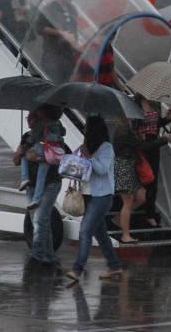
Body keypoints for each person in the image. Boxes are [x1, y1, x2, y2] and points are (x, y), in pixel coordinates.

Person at [66, 116, 123, 282]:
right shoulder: (87, 146)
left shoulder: (106, 148)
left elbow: (103, 170)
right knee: (101, 234)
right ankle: (114, 266)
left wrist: (89, 156)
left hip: (102, 196)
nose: (85, 131)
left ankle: (77, 269)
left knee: (85, 231)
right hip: (87, 195)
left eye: (87, 128)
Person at [13, 112, 64, 269]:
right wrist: (19, 153)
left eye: (32, 118)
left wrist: (40, 159)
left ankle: (35, 257)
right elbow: (16, 161)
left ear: (41, 120)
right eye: (27, 118)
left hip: (50, 183)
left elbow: (63, 158)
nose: (28, 121)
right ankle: (48, 258)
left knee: (39, 220)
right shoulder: (27, 136)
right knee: (40, 222)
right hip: (31, 185)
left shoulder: (53, 136)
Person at [112, 117, 171, 243]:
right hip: (124, 168)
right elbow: (144, 147)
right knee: (128, 202)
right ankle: (125, 235)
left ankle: (118, 219)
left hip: (131, 166)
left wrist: (140, 139)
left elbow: (136, 145)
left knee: (141, 198)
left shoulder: (126, 131)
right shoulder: (125, 132)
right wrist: (163, 140)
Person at [134, 94, 171, 227]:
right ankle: (138, 208)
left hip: (154, 144)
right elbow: (132, 125)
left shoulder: (155, 103)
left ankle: (149, 214)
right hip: (141, 144)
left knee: (152, 181)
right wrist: (139, 134)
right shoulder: (136, 103)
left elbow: (156, 124)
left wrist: (167, 118)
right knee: (140, 178)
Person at [21, 105, 66, 210]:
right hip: (52, 149)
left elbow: (34, 136)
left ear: (44, 113)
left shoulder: (42, 123)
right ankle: (36, 199)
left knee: (24, 155)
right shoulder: (58, 123)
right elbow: (63, 132)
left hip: (40, 147)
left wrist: (29, 140)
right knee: (41, 176)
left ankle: (25, 178)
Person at [35, 0, 79, 82]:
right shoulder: (49, 8)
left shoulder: (73, 9)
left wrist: (74, 40)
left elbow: (74, 29)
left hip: (68, 55)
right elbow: (39, 28)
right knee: (52, 83)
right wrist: (60, 33)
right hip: (52, 54)